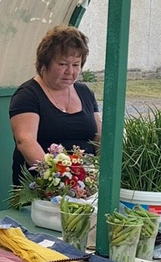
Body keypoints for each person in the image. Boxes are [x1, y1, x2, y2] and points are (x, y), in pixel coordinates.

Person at [9, 26, 102, 186]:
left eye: (76, 65)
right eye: (63, 64)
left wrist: (100, 170)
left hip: (85, 184)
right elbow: (25, 141)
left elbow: (99, 136)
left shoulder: (85, 92)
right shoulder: (27, 95)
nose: (70, 71)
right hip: (42, 185)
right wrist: (58, 177)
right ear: (44, 64)